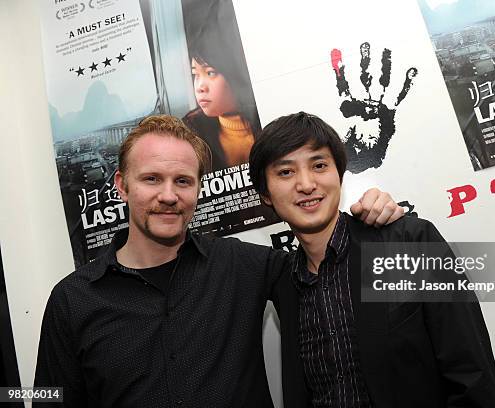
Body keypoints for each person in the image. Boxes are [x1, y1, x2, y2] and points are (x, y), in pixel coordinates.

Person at [34, 114, 404, 407]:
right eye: (151, 179)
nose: (168, 195)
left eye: (183, 181)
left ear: (198, 187)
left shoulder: (249, 267)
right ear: (121, 185)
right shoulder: (72, 300)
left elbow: (328, 259)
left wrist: (377, 223)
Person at [249, 112, 495, 407]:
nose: (306, 184)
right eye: (285, 172)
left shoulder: (408, 242)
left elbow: (473, 374)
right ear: (265, 194)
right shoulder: (286, 283)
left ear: (339, 175)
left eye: (319, 165)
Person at [182, 0, 258, 169]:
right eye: (195, 74)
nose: (200, 87)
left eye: (210, 73)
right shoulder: (191, 132)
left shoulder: (267, 121)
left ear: (235, 73)